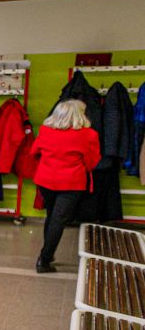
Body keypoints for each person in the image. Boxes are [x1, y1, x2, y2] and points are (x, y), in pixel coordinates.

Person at [30, 99, 101, 273]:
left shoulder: (46, 130)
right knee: (59, 219)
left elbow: (34, 152)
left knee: (51, 216)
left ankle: (48, 253)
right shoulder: (88, 135)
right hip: (71, 183)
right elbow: (92, 162)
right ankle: (44, 259)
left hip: (45, 180)